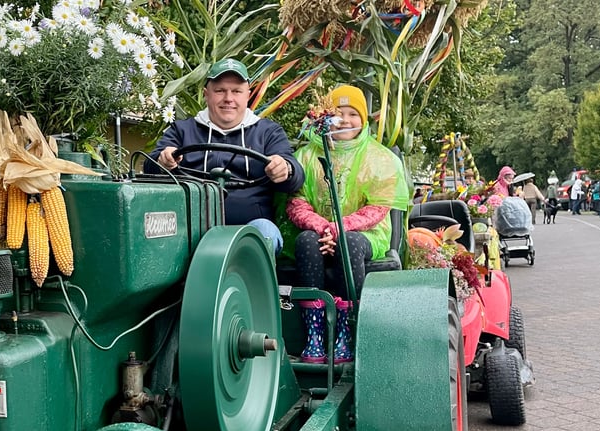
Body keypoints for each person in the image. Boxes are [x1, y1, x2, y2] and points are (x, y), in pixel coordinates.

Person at [279, 85, 409, 363]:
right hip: (317, 233)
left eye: (353, 114)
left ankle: (347, 330)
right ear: (325, 118)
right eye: (339, 114)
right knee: (304, 241)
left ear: (363, 120)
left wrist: (339, 228)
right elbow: (296, 202)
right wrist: (322, 227)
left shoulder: (380, 158)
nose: (346, 120)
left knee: (349, 244)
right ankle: (315, 332)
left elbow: (378, 208)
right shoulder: (306, 155)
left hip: (364, 234)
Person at [144, 58, 305, 254]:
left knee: (266, 232)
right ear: (206, 94)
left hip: (249, 228)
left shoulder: (268, 132)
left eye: (236, 91)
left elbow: (294, 175)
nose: (228, 98)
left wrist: (285, 168)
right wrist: (163, 160)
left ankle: (248, 283)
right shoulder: (182, 130)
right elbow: (149, 167)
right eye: (220, 90)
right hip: (188, 230)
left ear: (247, 95)